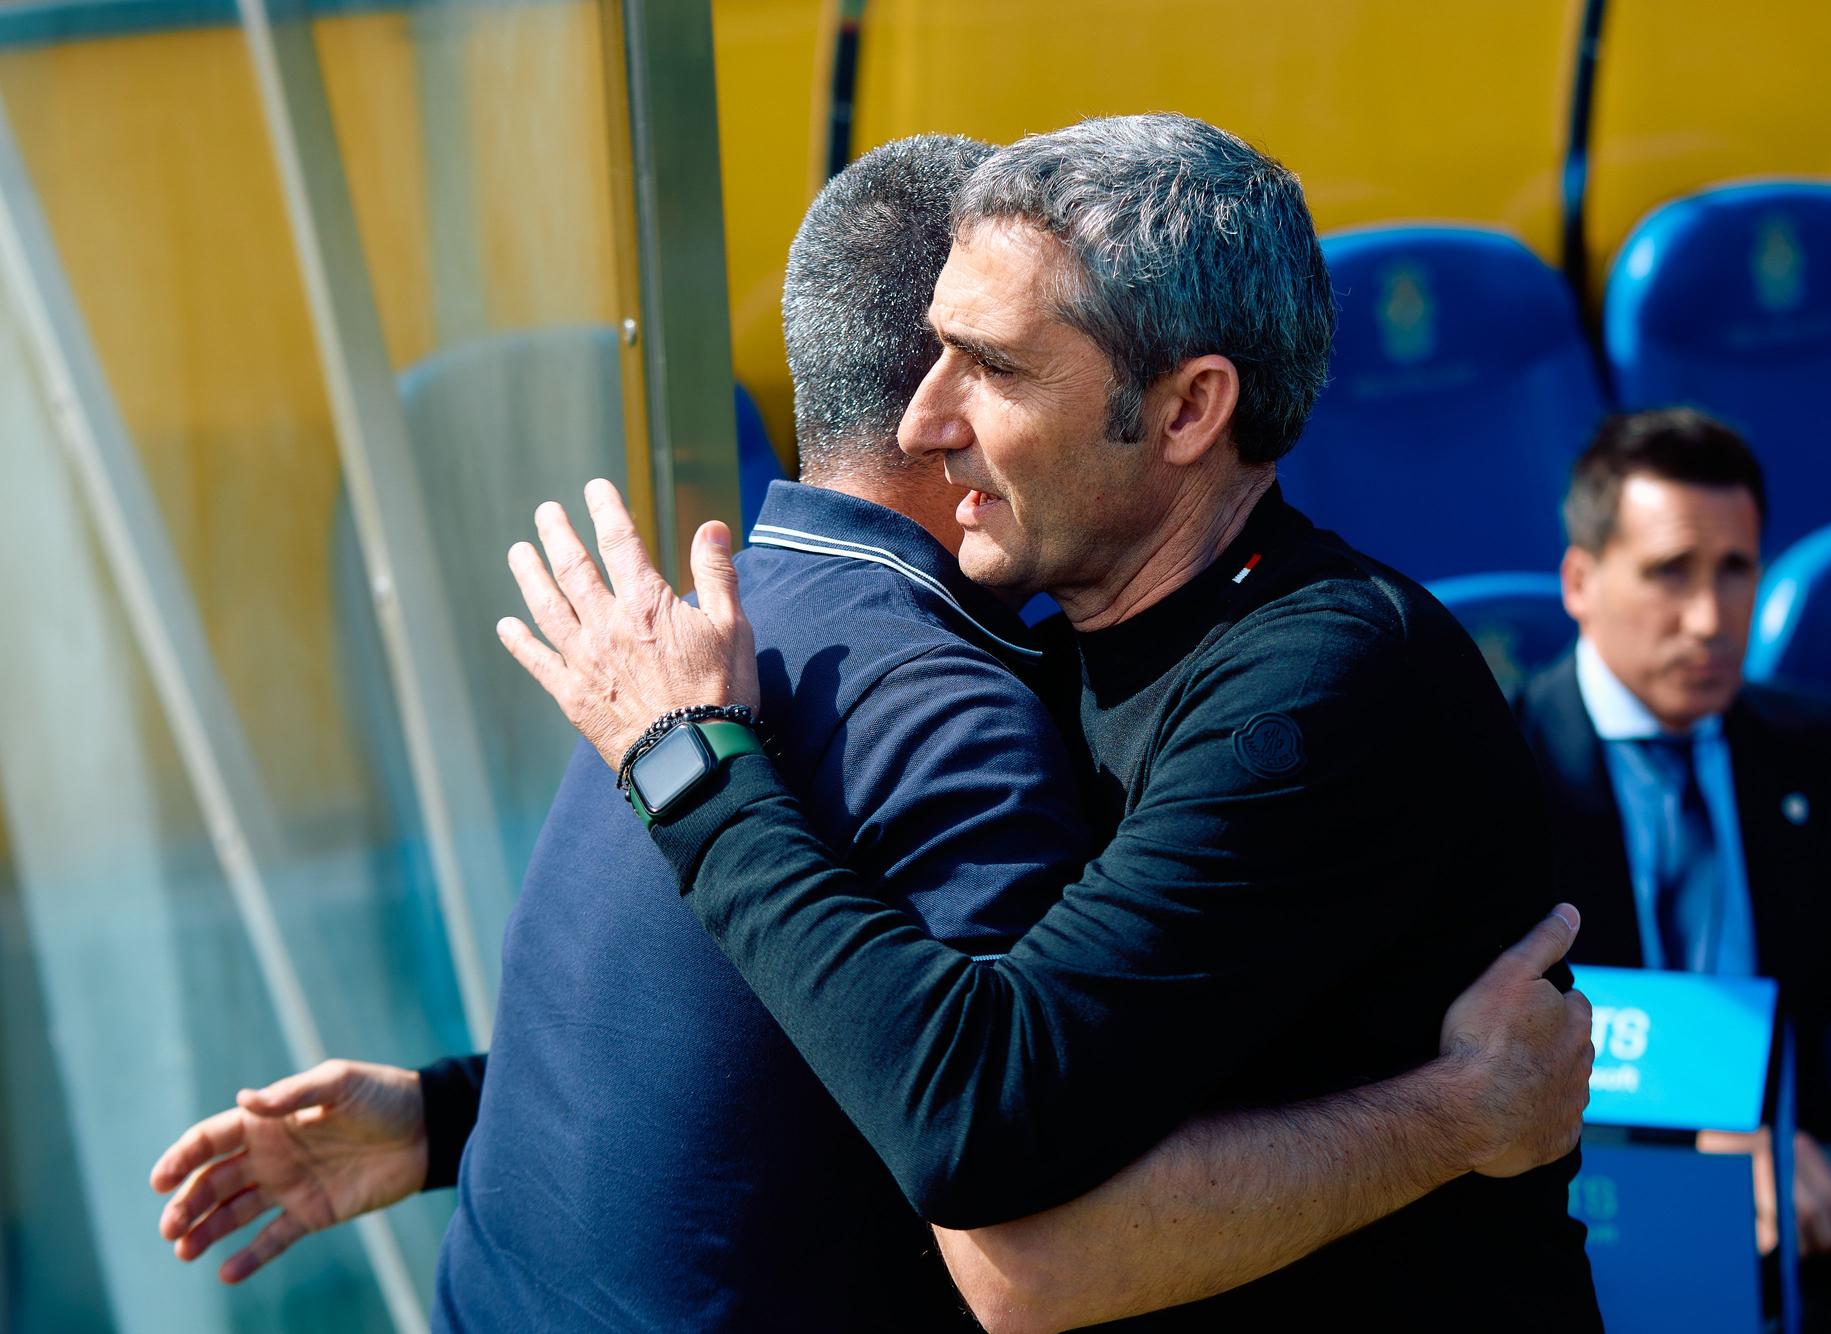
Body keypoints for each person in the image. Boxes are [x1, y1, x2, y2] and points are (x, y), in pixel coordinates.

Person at [154, 133, 1592, 1330]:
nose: (923, 417)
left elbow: (999, 1180)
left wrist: (685, 761)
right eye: (931, 355)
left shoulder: (1320, 691)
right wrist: (463, 1115)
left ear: (1187, 407)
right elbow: (900, 1029)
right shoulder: (1057, 647)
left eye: (995, 367)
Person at [1514, 408, 1831, 1262]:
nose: (1708, 618)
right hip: (1582, 1202)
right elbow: (1494, 1045)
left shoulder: (1817, 748)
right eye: (1671, 572)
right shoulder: (1500, 771)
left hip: (1809, 1198)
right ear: (1580, 582)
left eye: (1734, 570)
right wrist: (1696, 1138)